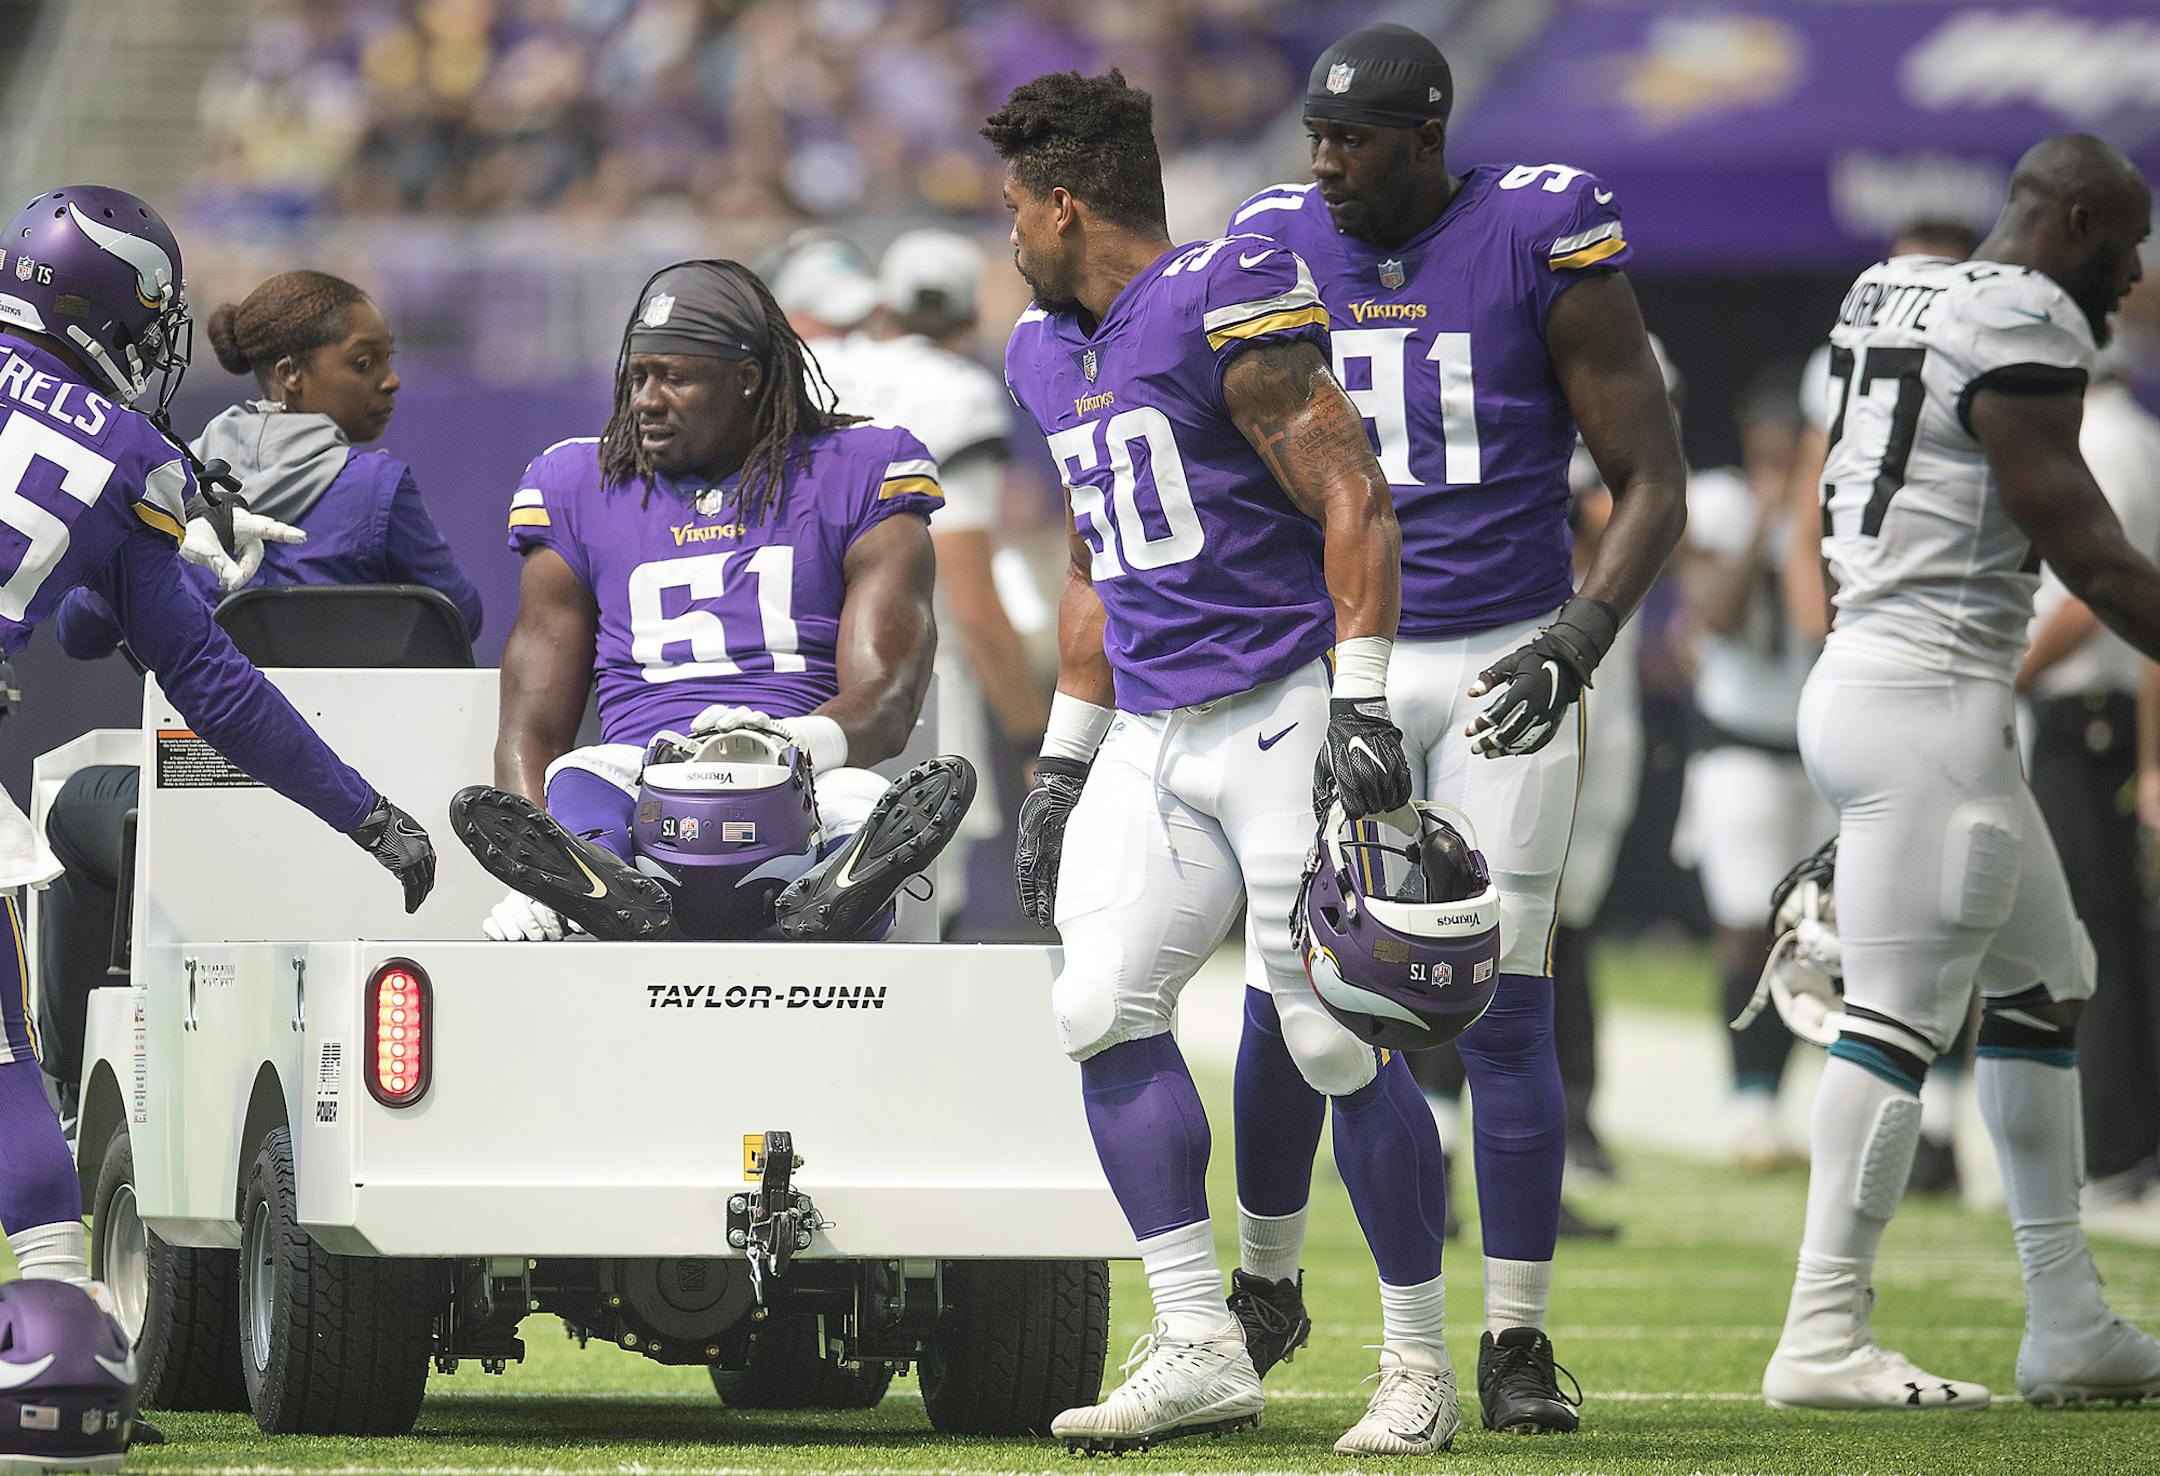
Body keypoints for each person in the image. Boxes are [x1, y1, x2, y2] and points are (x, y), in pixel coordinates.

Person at [1219, 22, 1687, 1435]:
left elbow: (1651, 480)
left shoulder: (1541, 230)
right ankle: (1269, 1284)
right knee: (1296, 983)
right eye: (1315, 135)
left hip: (1500, 657)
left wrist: (1579, 638)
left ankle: (1519, 1344)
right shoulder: (1274, 243)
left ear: (1426, 138)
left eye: (1351, 140)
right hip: (1341, 659)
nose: (1324, 163)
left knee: (1506, 999)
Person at [989, 68, 1460, 1456]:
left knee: (1329, 1031)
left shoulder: (1223, 291)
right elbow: (1095, 560)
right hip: (1148, 726)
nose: (1006, 234)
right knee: (1097, 1007)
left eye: (1017, 205)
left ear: (1067, 204)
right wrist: (1065, 761)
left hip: (1272, 712)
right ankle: (1201, 1338)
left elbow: (1350, 486)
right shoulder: (1042, 348)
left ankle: (1419, 1368)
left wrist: (1362, 699)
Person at [1764, 133, 2160, 1410]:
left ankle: (2069, 1322)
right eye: (2130, 243)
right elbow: (2091, 556)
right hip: (1932, 699)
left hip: (1880, 678)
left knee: (2049, 984)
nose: (2136, 274)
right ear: (2080, 220)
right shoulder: (2027, 317)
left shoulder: (1893, 286)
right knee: (1895, 1021)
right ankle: (1822, 1336)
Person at [0, 186, 435, 1304]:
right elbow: (208, 684)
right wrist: (365, 812)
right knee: (4, 1071)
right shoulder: (125, 450)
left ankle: (68, 1330)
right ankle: (63, 1345)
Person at [36, 270, 482, 1099]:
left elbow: (78, 630)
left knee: (65, 812)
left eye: (388, 359)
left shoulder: (162, 483)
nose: (389, 380)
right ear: (289, 375)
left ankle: (63, 1088)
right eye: (365, 361)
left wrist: (143, 556)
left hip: (206, 795)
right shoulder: (378, 488)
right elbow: (458, 618)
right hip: (378, 795)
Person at [456, 258, 971, 945]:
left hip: (800, 773)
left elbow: (889, 693)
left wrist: (787, 741)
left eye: (675, 377)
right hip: (644, 774)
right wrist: (525, 870)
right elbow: (532, 727)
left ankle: (830, 893)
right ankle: (586, 879)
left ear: (747, 377)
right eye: (638, 376)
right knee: (578, 774)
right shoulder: (576, 481)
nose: (645, 399)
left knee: (863, 803)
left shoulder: (858, 467)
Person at [813, 228, 1048, 932]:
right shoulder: (956, 393)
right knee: (914, 920)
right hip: (913, 688)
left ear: (882, 306)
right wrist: (1035, 737)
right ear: (971, 318)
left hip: (803, 678)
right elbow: (970, 595)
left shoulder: (823, 366)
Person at [1671, 371, 1831, 1170]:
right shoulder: (1721, 502)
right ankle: (1744, 1108)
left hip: (1819, 749)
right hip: (1736, 745)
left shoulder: (1830, 506)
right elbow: (1719, 614)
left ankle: (1775, 1103)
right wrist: (1772, 512)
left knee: (1811, 937)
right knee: (1745, 928)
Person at [2017, 352, 2160, 1208]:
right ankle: (2131, 1136)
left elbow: (2087, 592)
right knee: (2124, 933)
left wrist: (2009, 675)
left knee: (2088, 937)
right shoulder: (2143, 436)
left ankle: (2113, 1144)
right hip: (2121, 708)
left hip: (2084, 712)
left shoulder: (2096, 444)